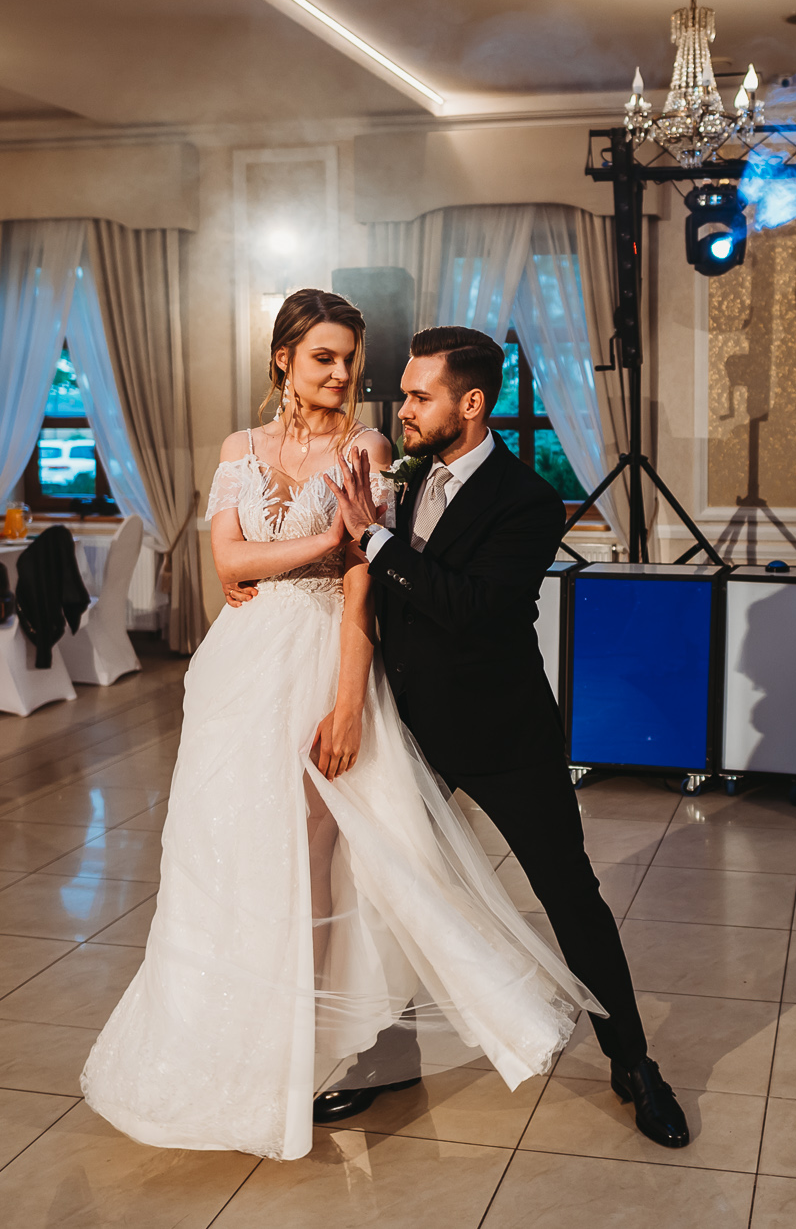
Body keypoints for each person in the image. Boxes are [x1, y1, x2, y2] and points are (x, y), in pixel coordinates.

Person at [81, 292, 597, 1162]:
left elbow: (364, 576)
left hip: (328, 657)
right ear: (283, 357)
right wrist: (326, 545)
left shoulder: (369, 448)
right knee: (229, 847)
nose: (343, 373)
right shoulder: (237, 449)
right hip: (240, 669)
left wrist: (349, 700)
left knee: (316, 856)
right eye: (325, 356)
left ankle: (310, 1050)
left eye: (351, 358)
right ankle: (225, 1031)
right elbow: (229, 560)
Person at [329, 326, 691, 1150]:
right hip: (407, 728)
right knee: (392, 893)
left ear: (471, 403)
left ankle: (634, 1064)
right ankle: (387, 1054)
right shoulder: (404, 476)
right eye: (404, 393)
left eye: (419, 396)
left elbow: (475, 608)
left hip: (502, 732)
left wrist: (375, 540)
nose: (402, 408)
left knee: (571, 897)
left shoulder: (528, 499)